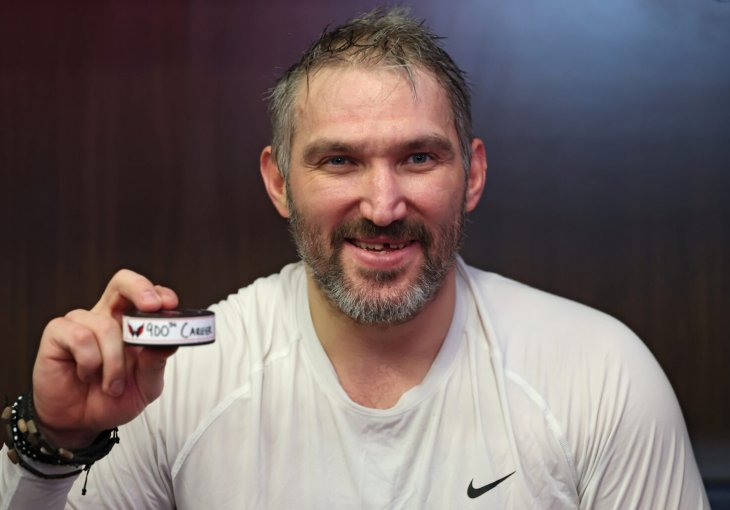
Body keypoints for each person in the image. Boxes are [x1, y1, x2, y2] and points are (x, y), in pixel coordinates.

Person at [0, 8, 709, 509]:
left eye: (419, 157)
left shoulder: (601, 377)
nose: (383, 204)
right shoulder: (176, 383)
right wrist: (54, 440)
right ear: (280, 182)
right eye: (339, 160)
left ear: (472, 175)